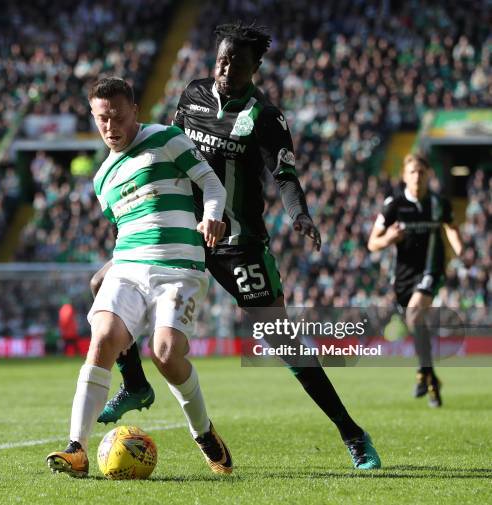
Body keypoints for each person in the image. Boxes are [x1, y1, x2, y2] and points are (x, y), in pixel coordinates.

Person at [91, 22, 381, 470]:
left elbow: (285, 176)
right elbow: (165, 148)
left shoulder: (265, 117)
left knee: (281, 338)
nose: (225, 68)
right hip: (183, 232)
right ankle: (136, 384)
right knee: (101, 282)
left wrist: (300, 213)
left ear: (256, 67)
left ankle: (353, 434)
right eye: (221, 59)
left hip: (239, 244)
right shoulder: (193, 95)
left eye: (237, 63)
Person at [46, 77, 232, 477]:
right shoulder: (102, 179)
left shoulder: (167, 138)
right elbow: (129, 229)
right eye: (101, 119)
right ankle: (76, 449)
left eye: (116, 116)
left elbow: (212, 185)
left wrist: (211, 216)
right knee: (101, 342)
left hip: (179, 268)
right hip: (129, 267)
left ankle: (202, 432)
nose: (110, 127)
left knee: (166, 353)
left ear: (134, 111)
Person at [368, 153, 463, 407]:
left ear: (429, 174)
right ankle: (430, 378)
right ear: (404, 176)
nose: (417, 177)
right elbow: (372, 243)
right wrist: (388, 239)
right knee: (416, 322)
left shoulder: (438, 203)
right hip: (403, 277)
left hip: (432, 269)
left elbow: (451, 227)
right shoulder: (394, 205)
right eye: (413, 172)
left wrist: (460, 249)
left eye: (422, 172)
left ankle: (423, 374)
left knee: (413, 314)